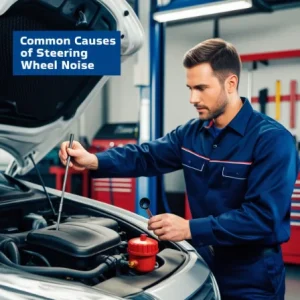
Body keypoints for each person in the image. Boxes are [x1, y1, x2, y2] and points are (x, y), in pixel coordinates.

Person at [59, 38, 299, 299]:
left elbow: (262, 218)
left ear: (231, 83)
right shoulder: (191, 133)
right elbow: (145, 156)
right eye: (189, 88)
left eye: (201, 88)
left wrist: (189, 229)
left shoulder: (273, 141)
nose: (192, 98)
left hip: (252, 274)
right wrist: (94, 160)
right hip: (203, 259)